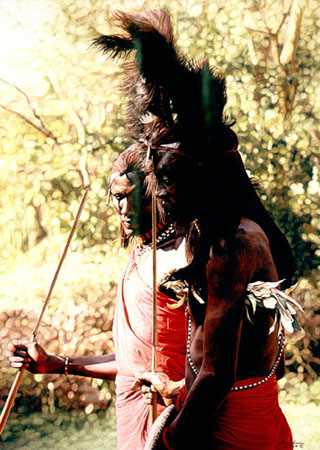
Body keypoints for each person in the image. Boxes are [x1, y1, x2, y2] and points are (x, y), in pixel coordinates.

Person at [93, 9, 302, 450]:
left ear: (201, 176)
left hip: (237, 433)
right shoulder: (210, 238)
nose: (158, 191)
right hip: (219, 417)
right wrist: (178, 389)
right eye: (154, 175)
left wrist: (169, 441)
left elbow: (217, 375)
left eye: (166, 177)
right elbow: (218, 362)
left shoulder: (232, 245)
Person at [8, 145, 188, 450]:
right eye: (119, 197)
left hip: (179, 423)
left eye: (136, 197)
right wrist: (56, 364)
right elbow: (133, 364)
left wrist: (178, 389)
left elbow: (221, 360)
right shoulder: (140, 255)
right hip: (134, 420)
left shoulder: (184, 258)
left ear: (160, 194)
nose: (126, 208)